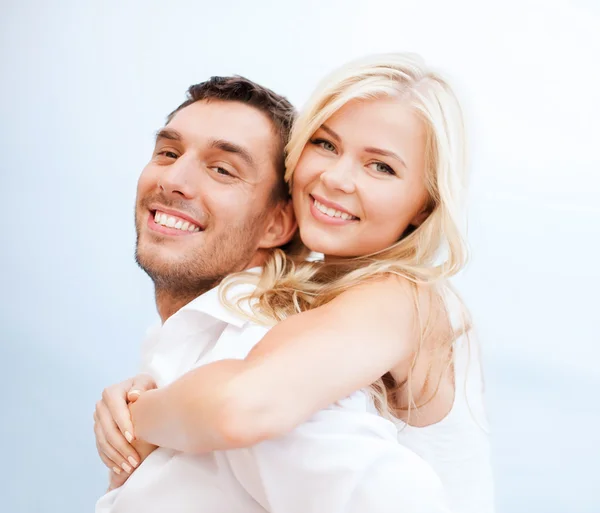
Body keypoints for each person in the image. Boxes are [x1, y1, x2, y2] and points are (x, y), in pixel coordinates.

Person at [93, 71, 451, 513]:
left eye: (222, 169)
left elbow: (397, 498)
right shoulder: (189, 344)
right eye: (168, 152)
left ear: (278, 224)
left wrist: (139, 416)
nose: (174, 180)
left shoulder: (265, 345)